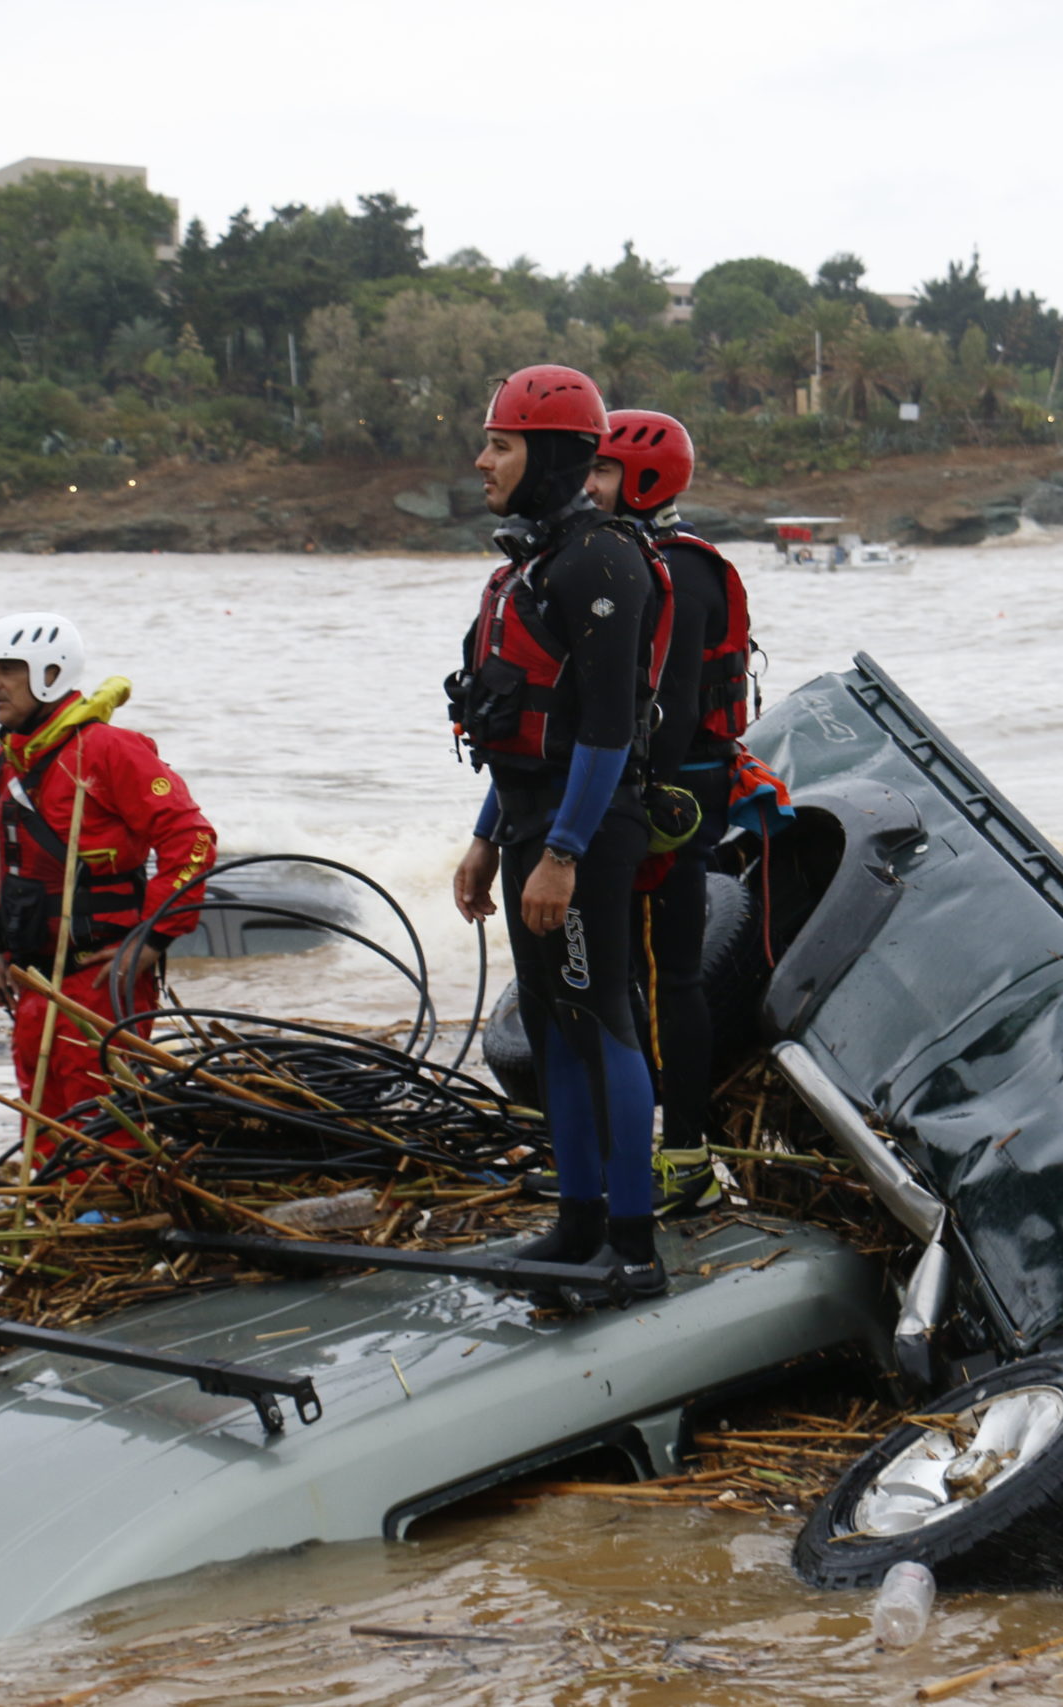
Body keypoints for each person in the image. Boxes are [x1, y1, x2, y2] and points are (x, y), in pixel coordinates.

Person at [447, 367, 674, 1301]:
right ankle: (578, 1222)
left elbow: (608, 728)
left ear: (549, 454)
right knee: (549, 1022)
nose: (483, 459)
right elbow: (521, 732)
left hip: (591, 828)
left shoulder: (602, 562)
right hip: (536, 824)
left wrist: (565, 853)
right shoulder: (530, 566)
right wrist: (488, 837)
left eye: (499, 443)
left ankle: (635, 1243)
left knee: (600, 1018)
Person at [0, 612, 216, 1150]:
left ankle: (103, 1216)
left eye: (6, 669)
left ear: (49, 673)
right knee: (43, 1121)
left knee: (102, 1121)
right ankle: (57, 1209)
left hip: (99, 981)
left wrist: (153, 936)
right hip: (34, 979)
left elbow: (190, 839)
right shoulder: (6, 762)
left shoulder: (107, 750)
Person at [586, 409, 756, 1208]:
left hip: (673, 799)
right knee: (632, 978)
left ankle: (684, 1158)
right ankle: (638, 1146)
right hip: (656, 789)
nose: (589, 485)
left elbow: (674, 705)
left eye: (603, 472)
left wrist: (625, 801)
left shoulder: (679, 572)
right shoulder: (638, 557)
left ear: (644, 481)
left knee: (670, 978)